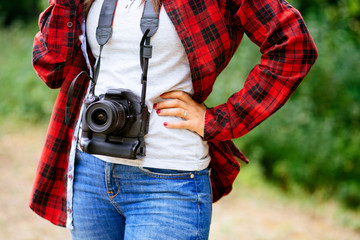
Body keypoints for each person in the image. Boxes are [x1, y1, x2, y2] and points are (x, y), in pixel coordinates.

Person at [30, 0, 317, 239]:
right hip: (90, 172)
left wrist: (220, 120)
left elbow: (293, 44)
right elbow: (51, 67)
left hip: (167, 178)